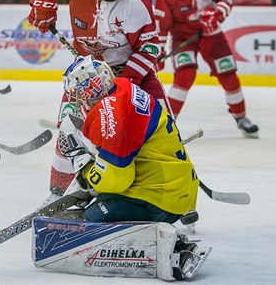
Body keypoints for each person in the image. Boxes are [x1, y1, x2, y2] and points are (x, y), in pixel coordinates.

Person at [31, 56, 210, 281]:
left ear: (89, 90)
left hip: (161, 198)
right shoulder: (122, 87)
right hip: (174, 187)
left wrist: (84, 169)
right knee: (101, 202)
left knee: (92, 217)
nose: (75, 99)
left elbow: (117, 180)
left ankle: (171, 251)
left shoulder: (108, 116)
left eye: (77, 93)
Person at [27, 0, 169, 201]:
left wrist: (122, 83)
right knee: (69, 132)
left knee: (163, 130)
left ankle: (170, 192)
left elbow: (149, 48)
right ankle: (56, 195)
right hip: (88, 73)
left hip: (132, 73)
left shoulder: (137, 1)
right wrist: (42, 0)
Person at [154, 0, 259, 138]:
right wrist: (158, 53)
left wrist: (217, 12)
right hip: (183, 37)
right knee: (184, 76)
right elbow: (162, 25)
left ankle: (241, 116)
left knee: (228, 74)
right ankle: (165, 126)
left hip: (212, 35)